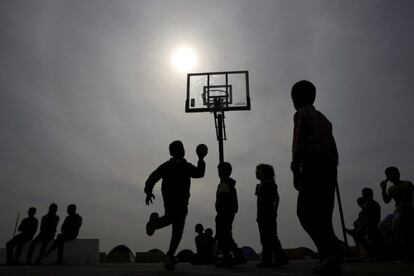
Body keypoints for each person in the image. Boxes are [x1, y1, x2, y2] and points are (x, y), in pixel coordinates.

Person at [290, 80, 343, 275]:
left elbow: (298, 145)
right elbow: (333, 147)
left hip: (313, 166)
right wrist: (333, 167)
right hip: (329, 167)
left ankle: (332, 249)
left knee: (305, 213)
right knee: (324, 214)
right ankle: (329, 258)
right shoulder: (324, 118)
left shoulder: (301, 114)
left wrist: (296, 169)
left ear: (295, 98)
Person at [144, 141, 207, 270]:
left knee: (170, 218)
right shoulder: (185, 166)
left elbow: (153, 177)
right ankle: (170, 254)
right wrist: (201, 158)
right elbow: (200, 173)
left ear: (171, 153)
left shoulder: (166, 166)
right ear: (183, 151)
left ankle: (156, 223)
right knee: (177, 230)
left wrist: (148, 191)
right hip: (182, 200)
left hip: (169, 198)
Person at [255, 164, 289, 268]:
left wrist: (275, 210)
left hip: (268, 214)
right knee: (264, 238)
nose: (256, 173)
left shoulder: (270, 184)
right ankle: (267, 259)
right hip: (261, 215)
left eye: (258, 171)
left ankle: (280, 258)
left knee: (271, 237)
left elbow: (277, 198)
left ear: (265, 173)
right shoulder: (259, 185)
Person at [378, 167, 414, 260]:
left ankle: (405, 249)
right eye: (388, 176)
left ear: (398, 174)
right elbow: (387, 201)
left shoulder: (407, 184)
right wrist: (383, 190)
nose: (390, 177)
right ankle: (396, 248)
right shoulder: (391, 188)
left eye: (392, 174)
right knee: (382, 225)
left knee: (396, 223)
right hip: (397, 212)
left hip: (407, 210)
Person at [214, 162, 245, 267]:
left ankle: (230, 256)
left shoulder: (227, 184)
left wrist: (222, 211)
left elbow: (225, 201)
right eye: (218, 170)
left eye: (221, 170)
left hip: (225, 213)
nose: (219, 172)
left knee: (224, 235)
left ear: (227, 171)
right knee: (225, 235)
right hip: (225, 212)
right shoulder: (225, 184)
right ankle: (234, 255)